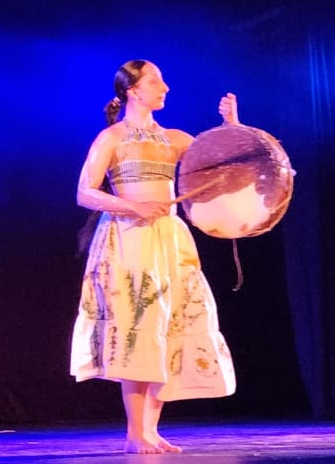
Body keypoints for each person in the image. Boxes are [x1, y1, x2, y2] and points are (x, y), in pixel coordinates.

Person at [70, 59, 238, 454]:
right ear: (133, 91)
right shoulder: (112, 139)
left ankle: (150, 429)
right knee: (139, 326)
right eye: (155, 81)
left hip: (169, 240)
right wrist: (133, 207)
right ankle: (134, 433)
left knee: (169, 326)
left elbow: (223, 163)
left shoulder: (175, 139)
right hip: (130, 239)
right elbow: (84, 192)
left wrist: (231, 124)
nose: (165, 87)